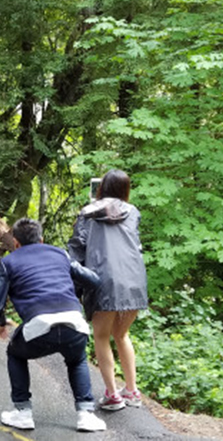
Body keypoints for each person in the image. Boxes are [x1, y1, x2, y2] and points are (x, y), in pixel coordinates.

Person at [0, 218, 107, 432]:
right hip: (74, 322)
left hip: (39, 326)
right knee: (77, 359)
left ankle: (23, 412)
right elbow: (94, 280)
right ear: (41, 240)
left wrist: (2, 322)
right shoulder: (60, 253)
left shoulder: (9, 262)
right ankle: (85, 414)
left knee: (15, 353)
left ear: (15, 242)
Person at [68, 169, 148, 411]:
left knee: (102, 337)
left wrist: (75, 285)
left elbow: (77, 248)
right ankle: (132, 391)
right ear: (125, 190)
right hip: (133, 280)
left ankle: (113, 395)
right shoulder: (133, 212)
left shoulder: (88, 213)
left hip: (102, 279)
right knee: (122, 335)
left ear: (101, 188)